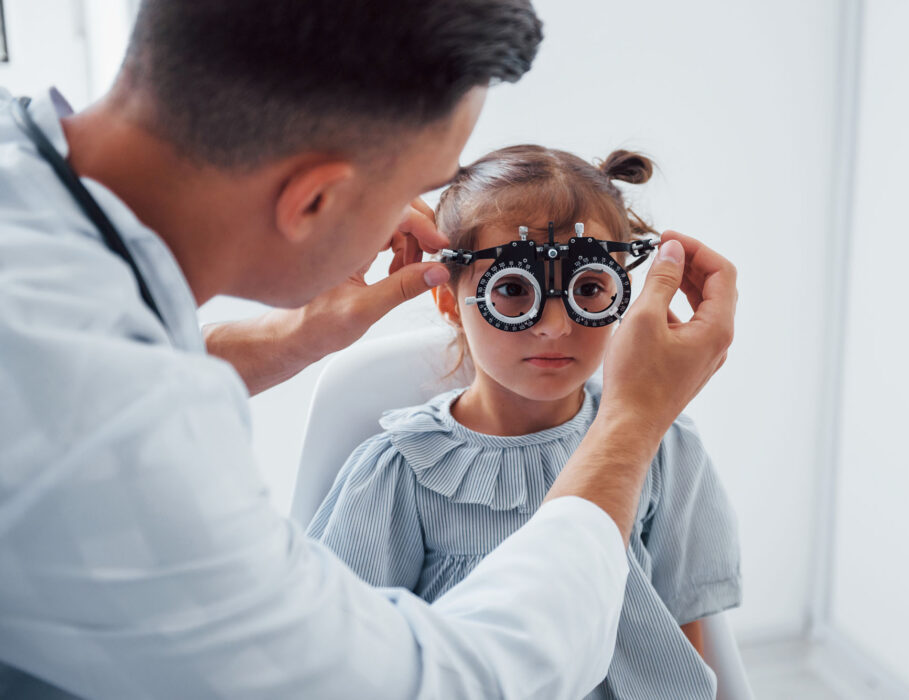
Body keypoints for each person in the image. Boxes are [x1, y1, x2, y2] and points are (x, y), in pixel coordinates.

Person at [0, 1, 737, 698]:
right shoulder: (107, 445)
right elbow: (435, 685)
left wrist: (292, 339)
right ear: (314, 200)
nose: (418, 229)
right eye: (416, 189)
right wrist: (631, 428)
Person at [308, 145, 741, 699]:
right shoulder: (404, 470)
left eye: (587, 288)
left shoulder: (664, 443)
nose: (555, 325)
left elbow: (681, 623)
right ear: (448, 298)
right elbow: (353, 656)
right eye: (513, 289)